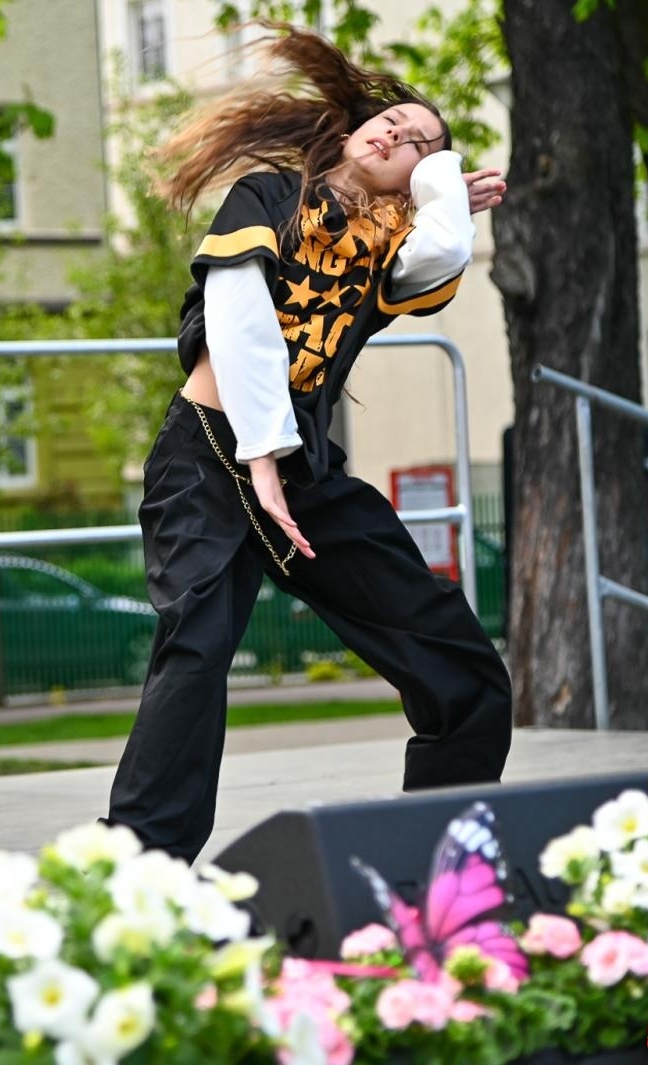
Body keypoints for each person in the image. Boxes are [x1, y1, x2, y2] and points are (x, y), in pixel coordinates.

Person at [105, 25, 514, 863]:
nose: (403, 133)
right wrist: (261, 463)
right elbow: (240, 323)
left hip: (303, 472)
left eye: (425, 144)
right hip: (213, 457)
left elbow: (430, 264)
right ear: (356, 125)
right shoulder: (265, 195)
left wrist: (439, 198)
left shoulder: (388, 241)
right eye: (396, 121)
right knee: (198, 644)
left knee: (458, 662)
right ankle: (137, 870)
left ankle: (441, 858)